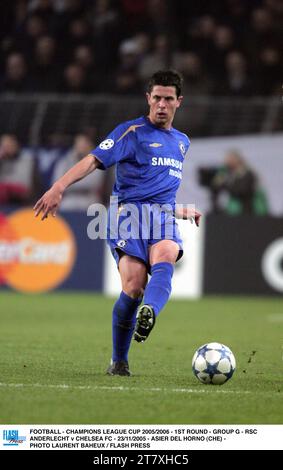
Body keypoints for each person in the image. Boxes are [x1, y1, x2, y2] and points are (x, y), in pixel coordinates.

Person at [34, 70, 201, 376]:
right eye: (157, 98)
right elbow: (93, 160)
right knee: (134, 287)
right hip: (127, 216)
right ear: (147, 99)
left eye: (168, 99)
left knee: (165, 254)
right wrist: (59, 186)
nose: (162, 104)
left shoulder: (182, 142)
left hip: (161, 217)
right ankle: (119, 360)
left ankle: (149, 312)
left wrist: (179, 211)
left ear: (179, 101)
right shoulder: (130, 132)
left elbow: (158, 187)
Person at [211, 150, 268, 215]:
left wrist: (226, 185)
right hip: (232, 210)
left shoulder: (247, 173)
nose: (227, 163)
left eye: (230, 160)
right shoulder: (227, 173)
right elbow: (215, 187)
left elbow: (242, 190)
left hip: (248, 210)